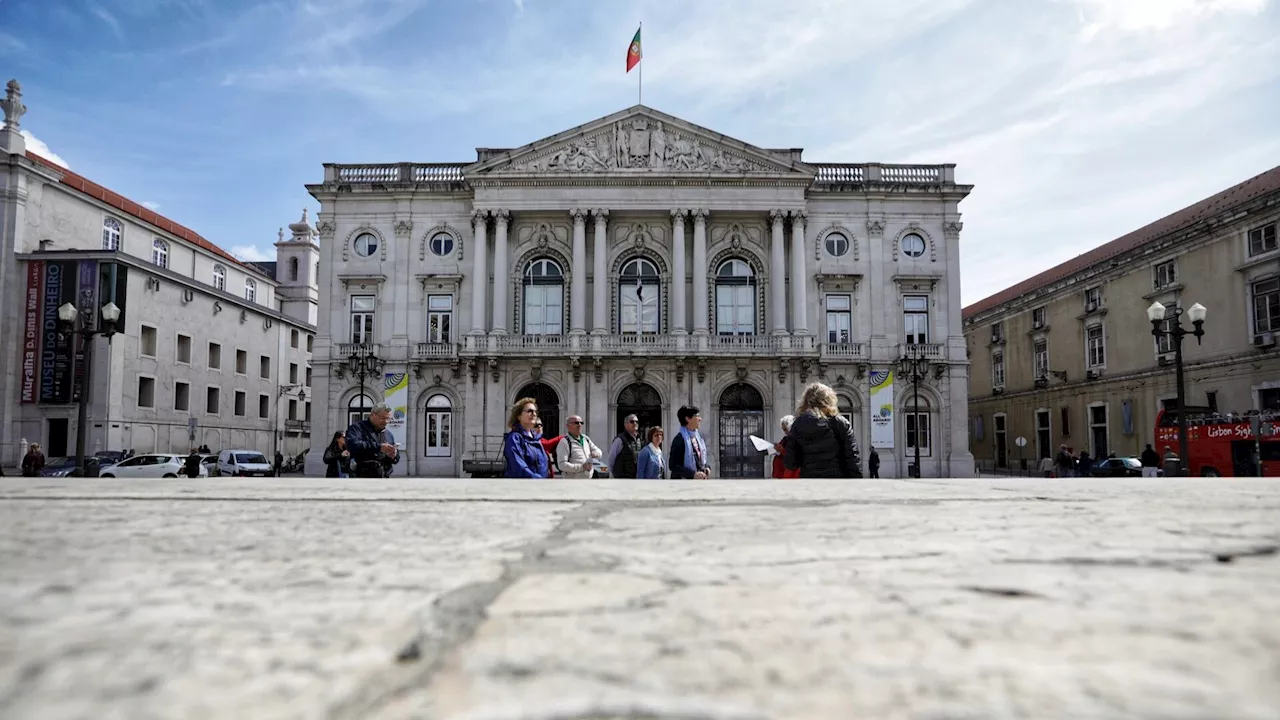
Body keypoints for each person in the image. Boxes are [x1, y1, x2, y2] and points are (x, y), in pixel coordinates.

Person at [784, 382, 860, 478]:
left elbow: (790, 463)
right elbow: (853, 458)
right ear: (829, 400)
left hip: (809, 481)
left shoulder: (798, 424)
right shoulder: (840, 423)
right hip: (837, 482)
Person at [344, 403, 399, 478]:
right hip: (362, 477)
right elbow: (352, 444)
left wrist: (394, 455)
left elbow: (395, 457)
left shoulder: (388, 434)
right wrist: (379, 447)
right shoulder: (357, 428)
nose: (386, 421)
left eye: (388, 419)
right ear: (372, 414)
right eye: (382, 418)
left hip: (384, 478)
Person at [503, 397, 549, 478]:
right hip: (523, 487)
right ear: (519, 416)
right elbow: (518, 467)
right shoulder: (514, 439)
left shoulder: (537, 439)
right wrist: (537, 480)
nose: (534, 414)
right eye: (530, 411)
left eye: (535, 411)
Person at [669, 405, 711, 479]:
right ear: (687, 418)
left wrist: (707, 468)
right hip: (683, 485)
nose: (700, 419)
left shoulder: (698, 438)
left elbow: (700, 460)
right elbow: (673, 466)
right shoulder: (679, 439)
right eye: (697, 416)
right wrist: (692, 474)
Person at [556, 415, 602, 479]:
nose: (580, 425)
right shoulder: (564, 442)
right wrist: (582, 467)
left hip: (588, 481)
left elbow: (598, 451)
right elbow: (562, 465)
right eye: (576, 423)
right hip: (573, 482)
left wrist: (596, 453)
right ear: (568, 426)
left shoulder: (585, 438)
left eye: (581, 423)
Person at [607, 414, 642, 479]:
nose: (635, 423)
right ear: (625, 424)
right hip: (622, 478)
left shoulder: (639, 439)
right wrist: (611, 475)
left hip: (635, 477)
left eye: (636, 422)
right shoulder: (619, 440)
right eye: (632, 421)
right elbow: (611, 458)